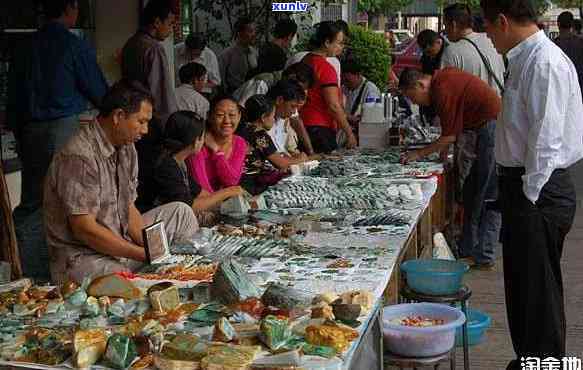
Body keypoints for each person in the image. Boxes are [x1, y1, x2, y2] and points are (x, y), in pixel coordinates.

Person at [480, 0, 583, 367]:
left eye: (488, 27)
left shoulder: (543, 62)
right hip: (524, 187)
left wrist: (529, 195)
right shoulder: (524, 59)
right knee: (523, 289)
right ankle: (529, 359)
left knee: (538, 295)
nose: (487, 36)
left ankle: (543, 362)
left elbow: (547, 140)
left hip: (538, 190)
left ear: (503, 22)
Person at [43, 80, 198, 285]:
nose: (145, 130)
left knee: (182, 213)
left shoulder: (126, 146)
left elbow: (128, 206)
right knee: (129, 282)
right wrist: (142, 254)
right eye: (141, 121)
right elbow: (84, 229)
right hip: (83, 257)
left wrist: (154, 249)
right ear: (118, 116)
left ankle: (178, 273)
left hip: (120, 241)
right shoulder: (79, 156)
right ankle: (148, 276)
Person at [7, 0, 108, 281]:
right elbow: (99, 92)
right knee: (67, 203)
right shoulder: (72, 44)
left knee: (32, 201)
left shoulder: (24, 46)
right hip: (62, 128)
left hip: (29, 130)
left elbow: (12, 98)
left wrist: (18, 132)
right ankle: (55, 273)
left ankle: (25, 271)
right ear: (70, 9)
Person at [441, 3, 505, 269]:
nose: (446, 31)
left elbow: (445, 94)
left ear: (454, 25)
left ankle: (469, 247)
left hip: (474, 130)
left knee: (471, 190)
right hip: (500, 123)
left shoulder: (454, 50)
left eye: (446, 26)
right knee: (491, 191)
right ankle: (486, 251)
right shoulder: (491, 42)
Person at [121, 0, 178, 211]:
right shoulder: (153, 48)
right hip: (152, 124)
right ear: (156, 22)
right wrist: (172, 131)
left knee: (136, 177)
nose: (172, 30)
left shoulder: (130, 44)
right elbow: (162, 96)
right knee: (149, 181)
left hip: (131, 120)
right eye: (170, 24)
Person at [151, 111, 243, 225]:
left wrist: (224, 201)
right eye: (203, 137)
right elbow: (190, 207)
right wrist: (228, 192)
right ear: (196, 141)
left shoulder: (179, 162)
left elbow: (200, 192)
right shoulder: (166, 166)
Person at [399, 68, 501, 167]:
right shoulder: (439, 82)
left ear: (421, 85)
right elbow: (449, 130)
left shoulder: (441, 89)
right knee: (475, 173)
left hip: (488, 120)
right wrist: (443, 152)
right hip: (482, 121)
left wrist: (418, 153)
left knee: (483, 172)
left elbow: (449, 137)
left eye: (412, 97)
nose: (413, 102)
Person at [299, 21, 357, 153]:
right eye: (339, 43)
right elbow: (334, 106)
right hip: (320, 128)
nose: (341, 47)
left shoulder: (306, 60)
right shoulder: (325, 68)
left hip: (304, 125)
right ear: (327, 42)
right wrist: (349, 133)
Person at [238, 95, 309, 195]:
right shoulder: (260, 135)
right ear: (263, 117)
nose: (273, 120)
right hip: (249, 183)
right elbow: (281, 163)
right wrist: (301, 159)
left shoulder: (241, 129)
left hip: (238, 179)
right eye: (272, 116)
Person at [186, 96, 247, 193]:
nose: (227, 121)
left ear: (239, 116)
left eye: (232, 115)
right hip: (202, 203)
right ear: (209, 116)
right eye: (220, 115)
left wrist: (216, 151)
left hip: (222, 201)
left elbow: (232, 181)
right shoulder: (198, 143)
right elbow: (202, 188)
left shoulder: (240, 143)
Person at [264, 79, 309, 159]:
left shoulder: (284, 121)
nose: (294, 111)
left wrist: (296, 156)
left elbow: (285, 151)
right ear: (279, 100)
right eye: (292, 106)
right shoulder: (262, 123)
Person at [219, 17, 258, 94]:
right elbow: (221, 81)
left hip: (252, 93)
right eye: (250, 31)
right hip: (233, 95)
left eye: (254, 31)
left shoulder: (254, 52)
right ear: (240, 33)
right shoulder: (227, 54)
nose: (254, 34)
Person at [341, 60, 381, 130]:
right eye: (343, 81)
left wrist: (346, 116)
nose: (345, 84)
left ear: (358, 75)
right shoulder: (344, 88)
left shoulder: (371, 90)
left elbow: (370, 119)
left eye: (348, 81)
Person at [554, 11, 583, 95]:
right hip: (579, 88)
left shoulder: (553, 45)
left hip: (561, 90)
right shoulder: (580, 42)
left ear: (558, 24)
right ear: (572, 25)